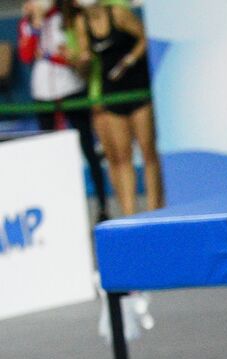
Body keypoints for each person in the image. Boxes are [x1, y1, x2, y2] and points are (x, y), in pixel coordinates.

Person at [17, 0, 108, 220]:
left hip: (71, 88)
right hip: (43, 92)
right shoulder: (27, 23)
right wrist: (36, 25)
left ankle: (102, 205)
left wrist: (60, 56)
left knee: (87, 147)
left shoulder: (68, 18)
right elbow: (27, 55)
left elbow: (77, 57)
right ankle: (52, 209)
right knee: (46, 151)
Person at [75, 0, 161, 215]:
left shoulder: (118, 14)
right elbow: (84, 61)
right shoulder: (81, 23)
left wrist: (130, 60)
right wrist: (81, 60)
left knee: (148, 150)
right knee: (122, 156)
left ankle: (154, 209)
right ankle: (129, 213)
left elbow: (144, 38)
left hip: (137, 89)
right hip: (111, 93)